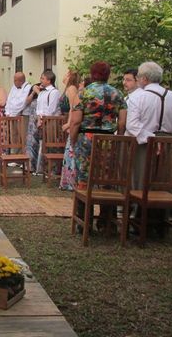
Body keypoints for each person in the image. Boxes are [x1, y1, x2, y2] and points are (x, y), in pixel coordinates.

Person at [70, 62, 127, 230]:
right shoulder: (117, 93)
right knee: (107, 178)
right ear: (108, 74)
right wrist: (119, 138)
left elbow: (76, 121)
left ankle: (84, 222)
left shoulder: (84, 93)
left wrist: (73, 140)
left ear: (92, 74)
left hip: (87, 138)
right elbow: (122, 122)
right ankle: (106, 221)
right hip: (109, 140)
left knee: (83, 178)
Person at [126, 62, 172, 191]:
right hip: (168, 143)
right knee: (164, 177)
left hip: (144, 143)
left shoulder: (138, 97)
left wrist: (151, 137)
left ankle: (139, 208)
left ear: (144, 79)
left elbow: (132, 125)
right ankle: (161, 209)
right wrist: (167, 134)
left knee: (141, 176)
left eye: (137, 77)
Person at [59, 70, 80, 191]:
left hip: (70, 121)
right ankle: (67, 181)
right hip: (67, 119)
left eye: (66, 74)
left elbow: (74, 108)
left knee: (70, 151)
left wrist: (69, 124)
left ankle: (71, 182)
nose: (64, 75)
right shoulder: (68, 88)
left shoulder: (71, 89)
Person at [24, 75, 44, 174]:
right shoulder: (35, 86)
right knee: (31, 142)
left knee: (39, 143)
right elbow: (27, 102)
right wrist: (33, 92)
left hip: (41, 119)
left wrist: (38, 92)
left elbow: (44, 101)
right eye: (41, 78)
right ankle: (30, 165)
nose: (41, 80)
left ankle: (39, 167)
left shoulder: (49, 91)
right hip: (32, 120)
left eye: (43, 78)